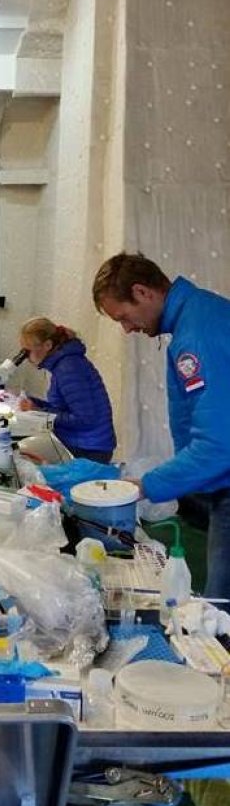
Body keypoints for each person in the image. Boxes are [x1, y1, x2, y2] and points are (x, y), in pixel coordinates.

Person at [92, 251, 230, 599]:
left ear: (143, 293)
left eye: (123, 317)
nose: (126, 329)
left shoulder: (196, 336)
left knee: (219, 608)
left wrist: (145, 486)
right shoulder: (199, 315)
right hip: (219, 482)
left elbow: (219, 445)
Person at [18, 317, 116, 463]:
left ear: (47, 345)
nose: (26, 357)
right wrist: (35, 404)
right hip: (84, 442)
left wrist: (40, 412)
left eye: (28, 351)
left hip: (90, 449)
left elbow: (84, 418)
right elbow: (65, 408)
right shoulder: (64, 364)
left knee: (24, 455)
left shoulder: (69, 369)